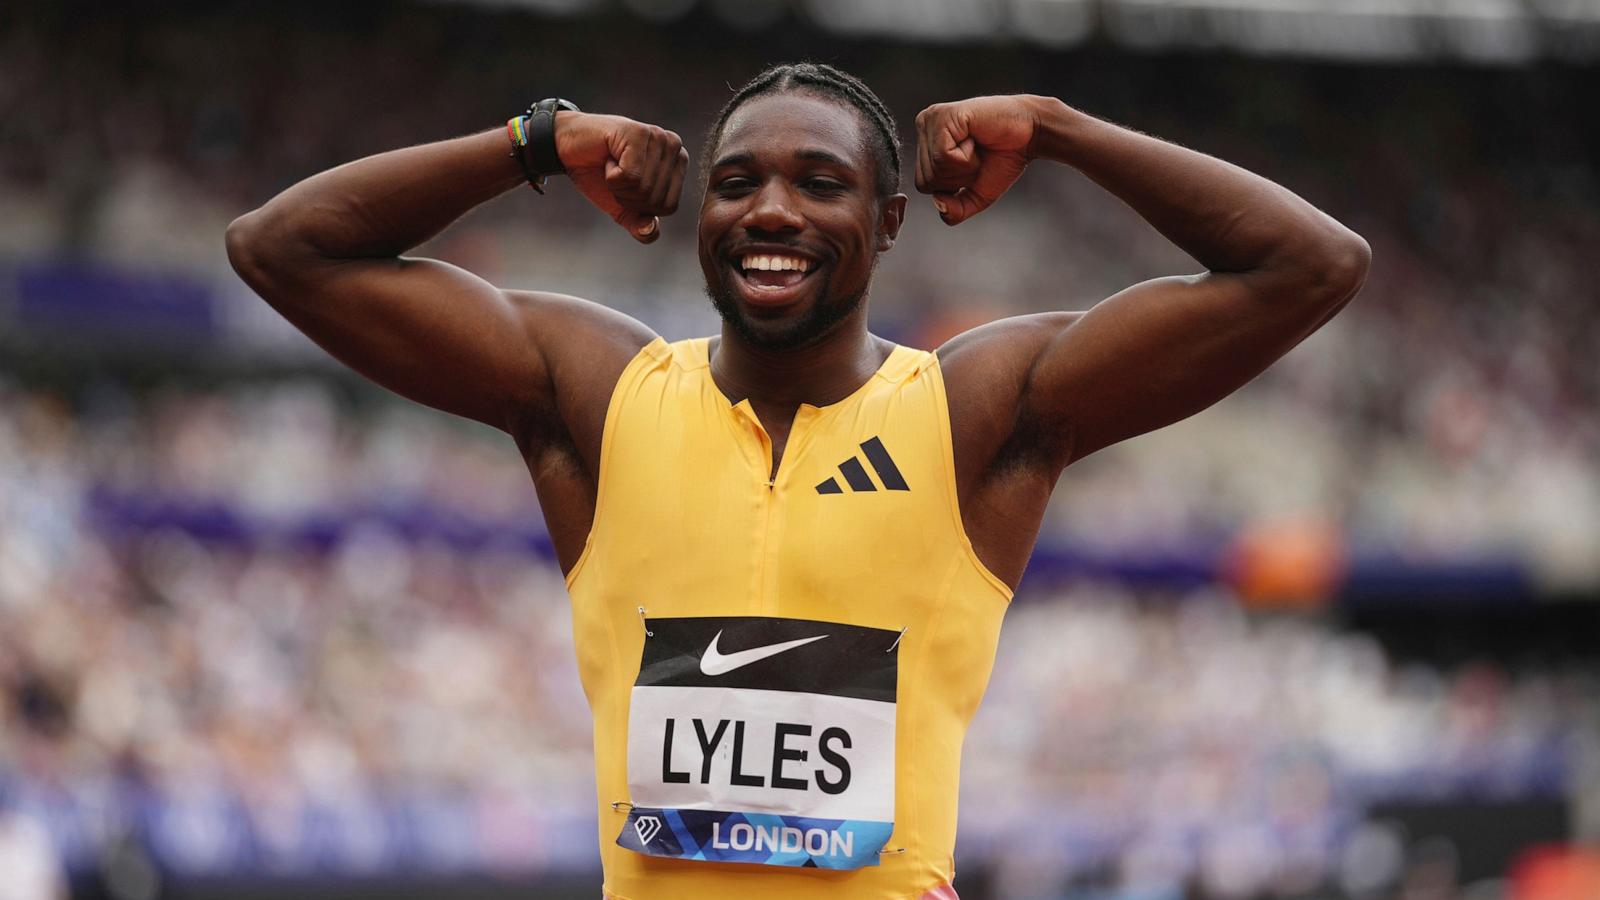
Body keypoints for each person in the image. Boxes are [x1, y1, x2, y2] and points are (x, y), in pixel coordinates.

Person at [226, 63, 1368, 900]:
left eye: (819, 184)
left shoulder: (970, 413)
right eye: (737, 183)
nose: (771, 210)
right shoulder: (600, 393)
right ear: (698, 221)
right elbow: (282, 248)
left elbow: (1310, 265)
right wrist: (537, 140)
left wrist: (1059, 129)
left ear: (884, 226)